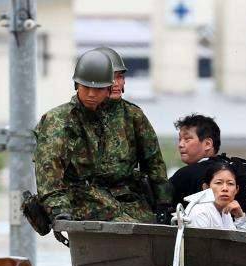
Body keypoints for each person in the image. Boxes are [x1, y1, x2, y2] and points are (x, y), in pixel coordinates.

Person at [34, 50, 158, 222]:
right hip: (80, 201)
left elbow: (153, 162)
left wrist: (163, 203)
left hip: (120, 199)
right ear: (77, 85)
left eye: (98, 89)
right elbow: (49, 173)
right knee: (130, 229)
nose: (92, 94)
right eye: (86, 87)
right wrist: (59, 210)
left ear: (108, 89)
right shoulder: (60, 121)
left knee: (156, 228)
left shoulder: (119, 116)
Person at [96, 46, 173, 222]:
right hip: (90, 198)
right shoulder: (80, 115)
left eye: (120, 77)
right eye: (110, 78)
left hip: (128, 197)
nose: (116, 84)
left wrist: (163, 203)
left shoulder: (133, 115)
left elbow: (154, 162)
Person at [169, 114, 246, 218]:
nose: (181, 144)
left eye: (187, 139)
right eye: (180, 140)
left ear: (207, 144)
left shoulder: (186, 174)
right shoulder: (240, 167)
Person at [186, 162, 246, 230]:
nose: (225, 188)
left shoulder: (225, 212)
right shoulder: (200, 211)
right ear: (206, 188)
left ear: (236, 189)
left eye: (230, 183)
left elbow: (239, 239)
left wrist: (239, 217)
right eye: (218, 183)